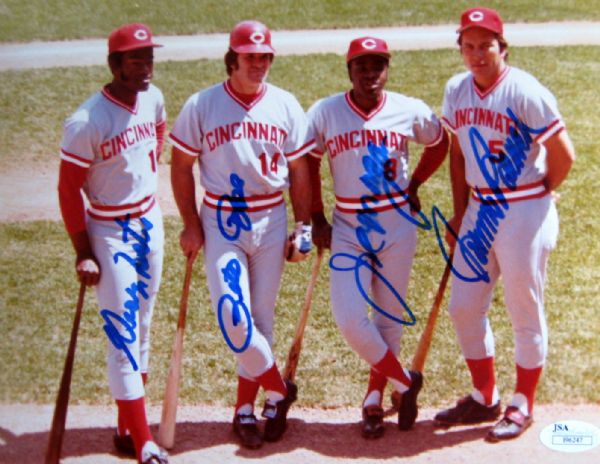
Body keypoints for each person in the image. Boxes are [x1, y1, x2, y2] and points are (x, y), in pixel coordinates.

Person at [169, 20, 314, 450]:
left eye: (265, 57)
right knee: (235, 316)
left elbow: (301, 169)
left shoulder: (285, 104)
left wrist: (303, 226)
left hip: (271, 219)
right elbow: (180, 167)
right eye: (251, 57)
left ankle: (246, 410)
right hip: (221, 220)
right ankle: (280, 389)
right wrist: (191, 224)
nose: (259, 64)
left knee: (261, 320)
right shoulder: (202, 105)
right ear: (232, 59)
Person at [434, 7, 575, 442]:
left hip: (523, 210)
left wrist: (541, 193)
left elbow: (564, 152)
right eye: (469, 46)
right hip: (480, 208)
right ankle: (484, 394)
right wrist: (459, 212)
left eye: (486, 46)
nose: (477, 55)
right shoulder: (457, 90)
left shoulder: (525, 90)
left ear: (503, 47)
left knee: (523, 309)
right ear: (460, 48)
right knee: (463, 306)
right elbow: (458, 155)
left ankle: (522, 403)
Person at [307, 36, 449, 438]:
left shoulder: (408, 109)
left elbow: (440, 143)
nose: (370, 74)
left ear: (387, 69)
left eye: (377, 66)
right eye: (361, 66)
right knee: (350, 317)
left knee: (389, 318)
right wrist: (317, 217)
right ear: (348, 71)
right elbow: (307, 163)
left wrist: (416, 183)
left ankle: (373, 398)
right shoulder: (326, 112)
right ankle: (404, 382)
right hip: (350, 226)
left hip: (396, 223)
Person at [58, 23, 169, 463]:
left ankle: (127, 425)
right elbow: (68, 191)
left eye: (148, 57)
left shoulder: (154, 97)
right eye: (135, 59)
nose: (145, 66)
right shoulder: (87, 121)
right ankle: (144, 442)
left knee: (142, 325)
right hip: (108, 230)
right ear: (114, 64)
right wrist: (84, 251)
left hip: (149, 221)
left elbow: (158, 133)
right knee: (122, 334)